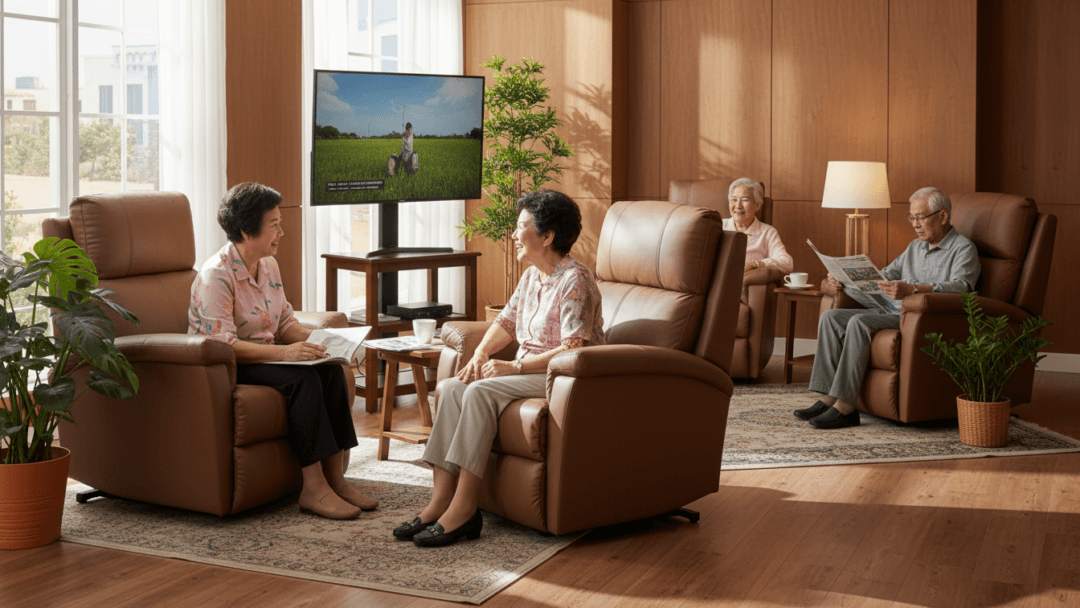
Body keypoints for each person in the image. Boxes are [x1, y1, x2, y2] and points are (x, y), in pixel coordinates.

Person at [394, 190, 605, 548]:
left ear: (547, 236)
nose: (512, 235)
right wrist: (479, 354)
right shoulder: (532, 277)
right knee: (450, 388)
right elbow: (505, 323)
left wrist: (514, 366)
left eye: (521, 227)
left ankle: (464, 509)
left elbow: (573, 348)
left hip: (563, 377)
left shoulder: (575, 280)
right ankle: (438, 503)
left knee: (478, 391)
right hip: (528, 372)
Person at [189, 182, 377, 519]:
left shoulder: (268, 265)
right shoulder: (215, 275)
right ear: (247, 230)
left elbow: (285, 323)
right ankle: (313, 489)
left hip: (266, 356)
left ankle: (337, 479)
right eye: (274, 225)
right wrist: (286, 355)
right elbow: (222, 345)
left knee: (330, 369)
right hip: (229, 365)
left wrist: (321, 343)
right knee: (301, 380)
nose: (282, 232)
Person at [797, 187, 981, 429]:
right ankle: (829, 397)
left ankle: (845, 408)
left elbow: (962, 287)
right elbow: (884, 276)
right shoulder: (915, 247)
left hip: (918, 320)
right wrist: (845, 279)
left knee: (859, 322)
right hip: (890, 311)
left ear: (943, 216)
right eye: (911, 217)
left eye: (921, 217)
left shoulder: (963, 248)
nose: (915, 224)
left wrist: (913, 290)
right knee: (832, 317)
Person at [725, 178, 793, 275]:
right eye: (734, 200)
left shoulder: (767, 232)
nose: (738, 205)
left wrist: (756, 264)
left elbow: (787, 263)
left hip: (747, 284)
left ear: (757, 205)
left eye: (744, 200)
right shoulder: (718, 226)